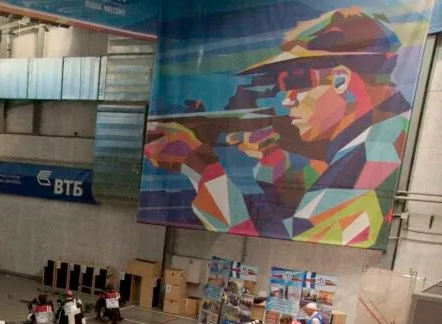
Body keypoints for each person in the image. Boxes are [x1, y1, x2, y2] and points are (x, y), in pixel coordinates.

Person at [144, 9, 412, 249]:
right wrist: (271, 158)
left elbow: (262, 235)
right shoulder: (384, 135)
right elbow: (320, 193)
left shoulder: (374, 153)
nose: (286, 100)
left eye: (296, 82)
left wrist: (199, 165)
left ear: (341, 79)